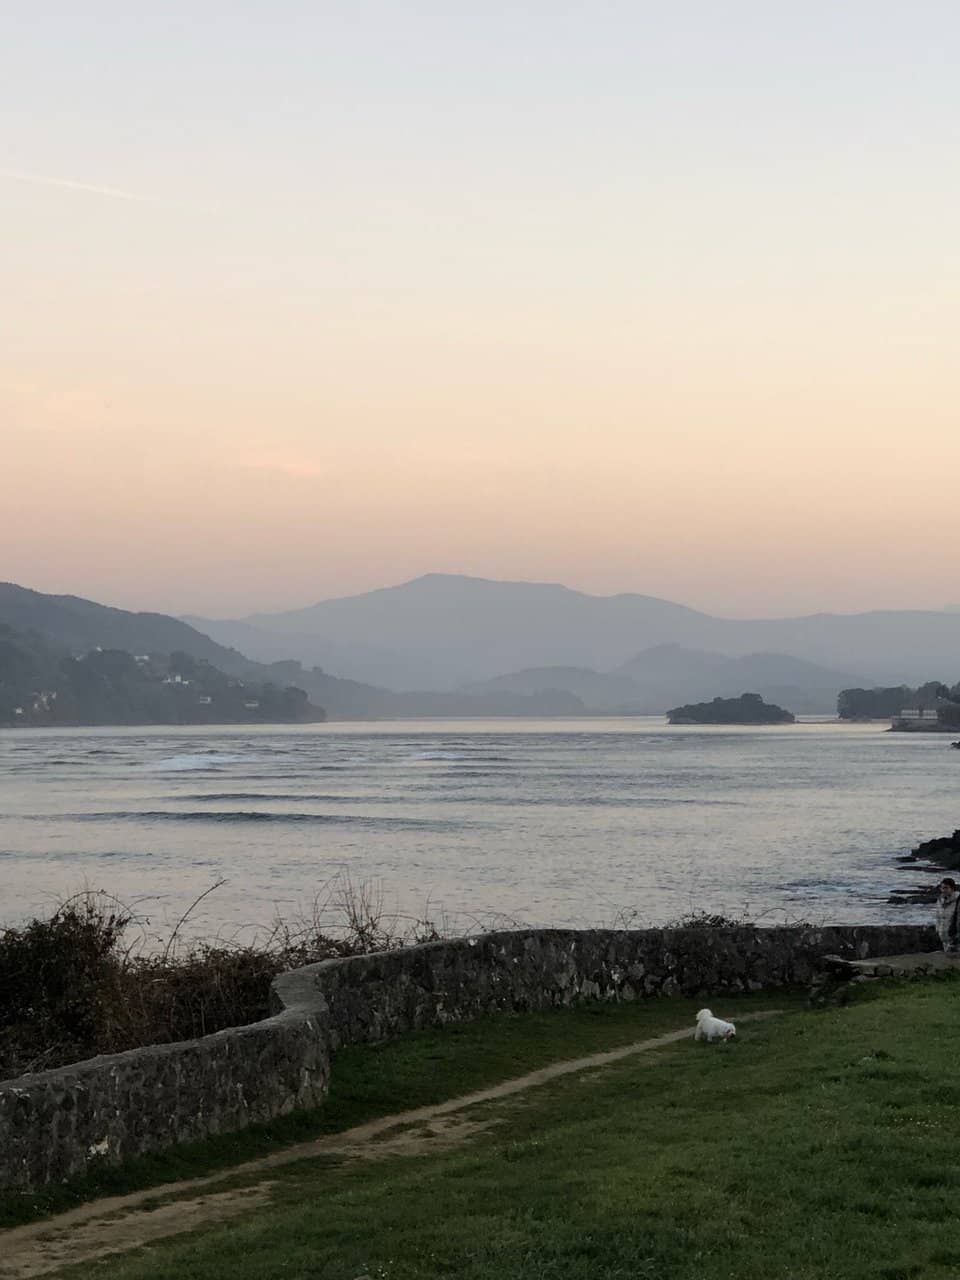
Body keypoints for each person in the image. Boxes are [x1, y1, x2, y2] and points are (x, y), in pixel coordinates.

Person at [934, 878, 960, 954]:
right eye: (942, 888)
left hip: (956, 938)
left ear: (952, 889)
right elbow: (938, 916)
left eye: (946, 888)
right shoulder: (940, 900)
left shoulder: (958, 901)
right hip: (944, 937)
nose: (943, 890)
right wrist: (938, 929)